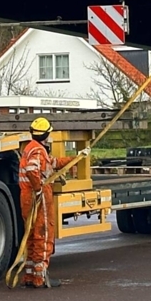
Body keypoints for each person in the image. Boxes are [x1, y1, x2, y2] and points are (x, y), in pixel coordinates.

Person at [19, 117, 90, 288]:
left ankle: (30, 275)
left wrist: (77, 157)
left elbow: (54, 163)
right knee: (42, 234)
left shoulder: (33, 148)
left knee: (31, 235)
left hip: (27, 196)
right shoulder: (37, 151)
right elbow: (31, 170)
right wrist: (38, 189)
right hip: (38, 195)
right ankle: (39, 277)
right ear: (46, 134)